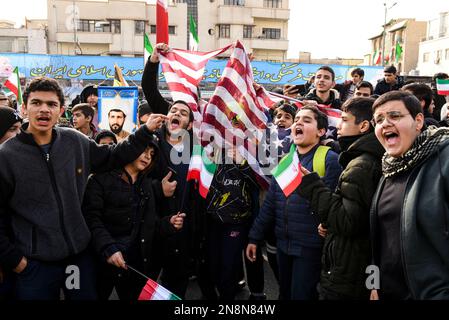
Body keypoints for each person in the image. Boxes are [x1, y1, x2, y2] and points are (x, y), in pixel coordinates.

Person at [0, 77, 167, 300]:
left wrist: (144, 131)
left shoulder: (74, 141)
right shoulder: (6, 156)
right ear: (23, 107)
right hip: (35, 265)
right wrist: (17, 262)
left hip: (77, 260)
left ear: (61, 110)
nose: (44, 110)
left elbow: (113, 156)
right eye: (36, 103)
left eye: (51, 105)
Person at [246, 106, 341, 300]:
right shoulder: (286, 162)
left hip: (310, 248)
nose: (298, 123)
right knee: (285, 294)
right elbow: (270, 204)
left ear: (321, 131)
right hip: (283, 245)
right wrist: (254, 238)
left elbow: (334, 207)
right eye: (297, 119)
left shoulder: (330, 159)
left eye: (306, 120)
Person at [297, 97, 384, 300]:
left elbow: (348, 222)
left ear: (363, 126)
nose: (338, 125)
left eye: (344, 119)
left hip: (349, 272)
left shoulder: (361, 165)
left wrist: (312, 185)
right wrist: (329, 223)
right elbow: (355, 212)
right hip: (356, 266)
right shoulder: (362, 158)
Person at [370, 91, 449, 300]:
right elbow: (380, 242)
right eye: (379, 120)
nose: (385, 123)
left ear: (418, 120)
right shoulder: (389, 169)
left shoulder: (445, 159)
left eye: (395, 116)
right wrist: (373, 285)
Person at [83, 140, 185, 300]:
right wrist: (109, 248)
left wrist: (168, 223)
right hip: (102, 261)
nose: (147, 156)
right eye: (144, 150)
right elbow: (91, 220)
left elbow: (150, 226)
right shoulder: (99, 180)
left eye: (151, 154)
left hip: (134, 264)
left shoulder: (146, 185)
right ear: (129, 149)